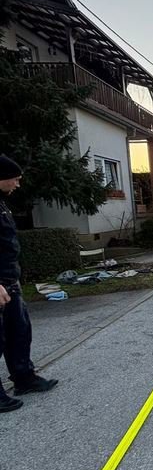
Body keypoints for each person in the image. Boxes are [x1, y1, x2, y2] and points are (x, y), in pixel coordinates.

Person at [1, 154, 58, 413]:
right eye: (15, 179)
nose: (18, 184)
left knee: (19, 333)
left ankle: (24, 378)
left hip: (10, 281)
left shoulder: (2, 204)